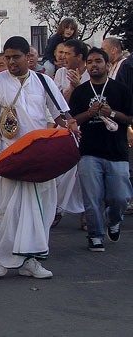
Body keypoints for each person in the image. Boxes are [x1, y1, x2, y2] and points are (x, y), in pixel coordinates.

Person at [0, 36, 75, 279]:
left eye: (16, 57)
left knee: (41, 210)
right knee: (9, 209)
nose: (11, 62)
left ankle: (31, 261)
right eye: (7, 57)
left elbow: (61, 113)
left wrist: (69, 125)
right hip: (11, 156)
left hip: (40, 157)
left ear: (28, 58)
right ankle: (3, 258)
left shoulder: (43, 81)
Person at [69, 47, 133, 252]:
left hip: (117, 151)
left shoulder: (120, 89)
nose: (93, 65)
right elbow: (72, 120)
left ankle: (113, 220)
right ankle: (95, 235)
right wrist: (89, 113)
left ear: (107, 64)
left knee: (120, 196)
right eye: (90, 62)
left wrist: (112, 112)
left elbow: (130, 118)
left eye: (98, 61)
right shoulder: (81, 91)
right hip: (89, 151)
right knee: (92, 197)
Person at [52, 39, 88, 227]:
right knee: (63, 170)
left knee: (84, 171)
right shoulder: (61, 73)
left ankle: (85, 212)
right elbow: (59, 104)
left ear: (79, 57)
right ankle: (56, 208)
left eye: (67, 54)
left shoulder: (91, 72)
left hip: (87, 127)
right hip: (65, 125)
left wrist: (81, 86)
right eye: (62, 53)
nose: (63, 57)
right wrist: (73, 88)